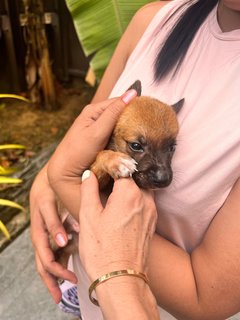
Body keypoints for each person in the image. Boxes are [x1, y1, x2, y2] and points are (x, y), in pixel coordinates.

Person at [30, 0, 240, 319]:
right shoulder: (154, 20)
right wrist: (43, 182)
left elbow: (205, 296)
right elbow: (89, 130)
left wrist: (63, 181)